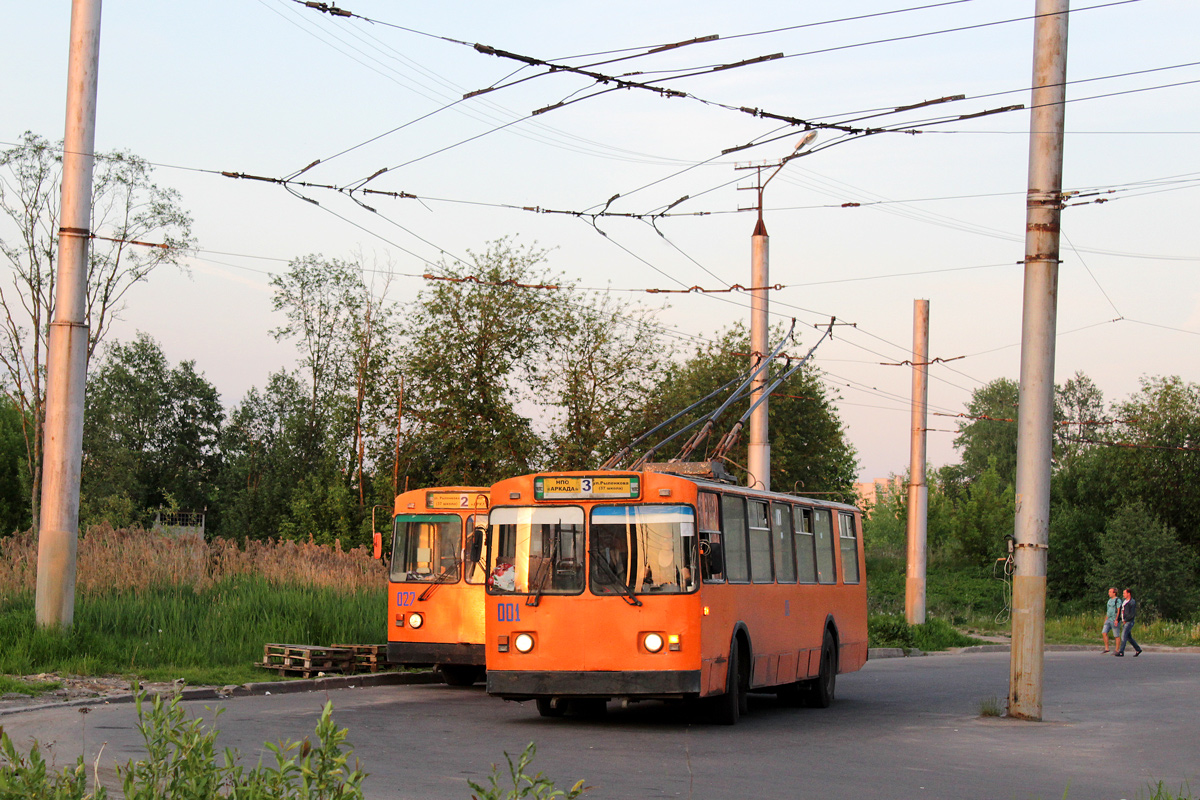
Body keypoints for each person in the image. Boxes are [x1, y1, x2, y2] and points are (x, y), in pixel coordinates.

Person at [1115, 587, 1143, 657]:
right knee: (1129, 637)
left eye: (1124, 593)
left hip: (1129, 622)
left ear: (1128, 594)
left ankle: (1121, 652)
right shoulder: (1124, 602)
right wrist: (1118, 620)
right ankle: (1138, 649)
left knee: (1123, 636)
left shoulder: (1132, 602)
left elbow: (1132, 614)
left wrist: (1126, 620)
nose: (1123, 594)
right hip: (1124, 621)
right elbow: (1122, 612)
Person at [1101, 587, 1121, 653]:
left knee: (1116, 635)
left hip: (1114, 619)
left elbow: (1118, 610)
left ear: (1114, 593)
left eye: (1110, 592)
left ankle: (1117, 649)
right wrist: (1105, 619)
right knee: (1104, 632)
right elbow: (1108, 611)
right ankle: (1107, 648)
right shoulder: (1109, 601)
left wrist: (1116, 619)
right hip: (1108, 619)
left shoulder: (1117, 600)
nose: (1109, 593)